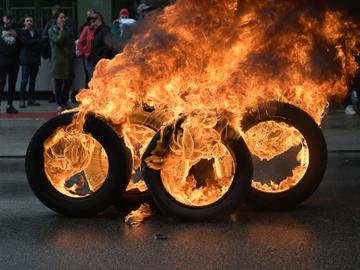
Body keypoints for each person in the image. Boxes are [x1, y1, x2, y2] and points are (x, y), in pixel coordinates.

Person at [48, 10, 75, 112]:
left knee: (68, 81)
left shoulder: (68, 30)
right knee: (58, 82)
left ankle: (64, 102)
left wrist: (72, 54)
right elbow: (58, 41)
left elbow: (72, 43)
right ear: (56, 20)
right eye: (61, 18)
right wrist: (62, 29)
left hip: (68, 60)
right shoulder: (52, 30)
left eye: (64, 17)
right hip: (58, 61)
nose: (63, 19)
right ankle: (59, 103)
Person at [0, 12, 22, 113]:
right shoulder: (0, 30)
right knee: (1, 83)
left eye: (10, 18)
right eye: (7, 18)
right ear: (3, 19)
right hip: (2, 61)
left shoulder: (16, 30)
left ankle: (10, 105)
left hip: (14, 61)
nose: (9, 20)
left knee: (12, 84)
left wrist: (17, 36)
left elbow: (24, 43)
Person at [19, 14, 42, 108]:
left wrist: (31, 43)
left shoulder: (36, 32)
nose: (29, 22)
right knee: (24, 81)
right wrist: (34, 42)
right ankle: (22, 100)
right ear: (24, 22)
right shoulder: (22, 32)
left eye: (31, 20)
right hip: (26, 61)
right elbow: (25, 43)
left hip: (35, 60)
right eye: (27, 20)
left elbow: (40, 44)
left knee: (33, 81)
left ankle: (30, 100)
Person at [77, 13, 97, 85]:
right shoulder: (87, 29)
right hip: (89, 57)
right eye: (90, 21)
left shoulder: (100, 30)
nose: (92, 23)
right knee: (91, 77)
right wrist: (85, 52)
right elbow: (80, 42)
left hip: (98, 56)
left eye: (94, 21)